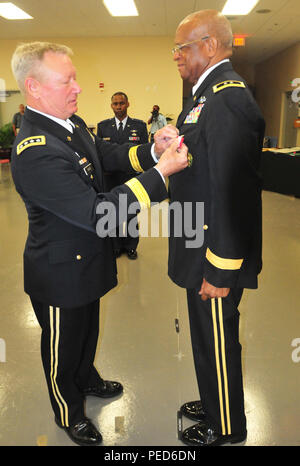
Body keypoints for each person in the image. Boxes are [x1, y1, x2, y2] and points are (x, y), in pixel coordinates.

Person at [10, 41, 188, 447]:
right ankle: (68, 409)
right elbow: (97, 213)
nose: (77, 87)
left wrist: (151, 150)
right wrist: (161, 174)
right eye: (65, 80)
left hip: (87, 259)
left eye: (75, 78)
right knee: (62, 345)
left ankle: (86, 378)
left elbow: (105, 155)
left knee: (86, 331)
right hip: (58, 272)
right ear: (34, 87)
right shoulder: (35, 149)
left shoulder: (69, 125)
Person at [168, 10, 265, 446]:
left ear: (209, 46)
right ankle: (214, 403)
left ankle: (227, 425)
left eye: (181, 48)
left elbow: (233, 191)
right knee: (205, 338)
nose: (177, 58)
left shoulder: (226, 98)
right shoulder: (205, 96)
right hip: (200, 244)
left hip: (214, 254)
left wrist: (221, 270)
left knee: (218, 340)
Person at [97, 92, 148, 260]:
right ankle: (117, 246)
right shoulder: (103, 126)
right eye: (115, 104)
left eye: (121, 103)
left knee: (132, 213)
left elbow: (143, 152)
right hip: (110, 178)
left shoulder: (139, 126)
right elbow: (99, 153)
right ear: (111, 105)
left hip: (131, 178)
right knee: (113, 212)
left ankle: (131, 246)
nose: (118, 107)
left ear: (128, 104)